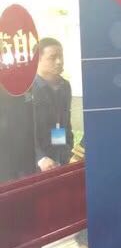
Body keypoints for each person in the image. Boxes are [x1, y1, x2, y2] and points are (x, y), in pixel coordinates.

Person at [31, 37, 74, 170]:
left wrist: (68, 149)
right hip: (37, 164)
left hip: (62, 157)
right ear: (38, 60)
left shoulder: (65, 86)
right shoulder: (28, 90)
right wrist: (40, 159)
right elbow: (21, 133)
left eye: (61, 56)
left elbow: (65, 122)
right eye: (52, 57)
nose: (59, 61)